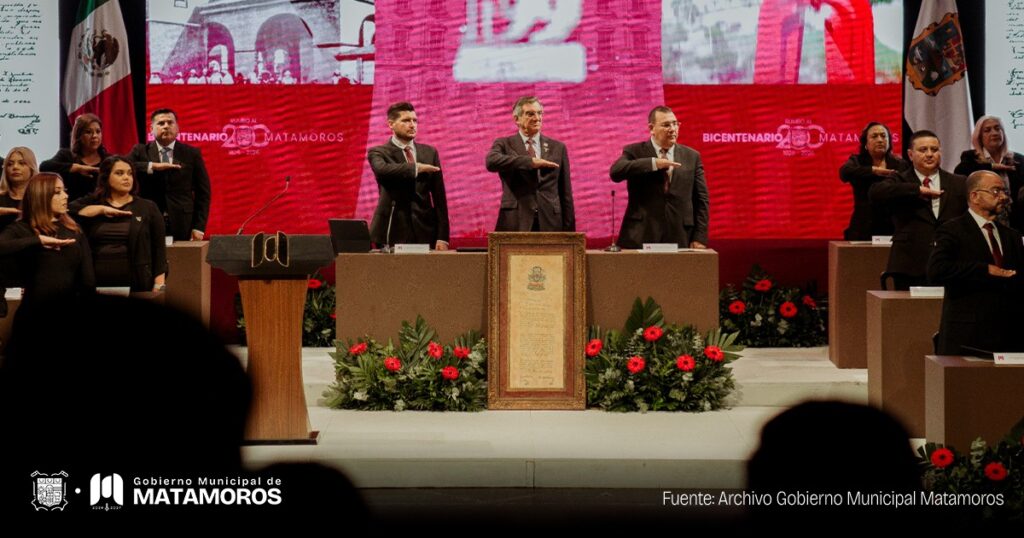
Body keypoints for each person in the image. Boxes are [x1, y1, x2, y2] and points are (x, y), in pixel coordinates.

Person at [927, 170, 1024, 355]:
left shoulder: (1012, 236)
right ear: (975, 196)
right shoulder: (952, 230)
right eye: (996, 191)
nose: (1003, 197)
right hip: (967, 335)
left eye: (1004, 192)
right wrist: (984, 270)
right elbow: (937, 271)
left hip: (1010, 336)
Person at [869, 130, 967, 290]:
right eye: (923, 150)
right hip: (909, 263)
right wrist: (917, 190)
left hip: (951, 263)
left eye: (934, 150)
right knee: (909, 314)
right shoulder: (899, 180)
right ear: (910, 154)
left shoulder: (959, 182)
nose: (929, 154)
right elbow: (875, 193)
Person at [608, 106, 709, 249]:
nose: (673, 129)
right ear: (651, 128)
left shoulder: (692, 156)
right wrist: (654, 163)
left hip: (680, 234)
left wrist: (700, 237)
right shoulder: (635, 151)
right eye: (666, 125)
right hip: (641, 234)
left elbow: (701, 199)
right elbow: (616, 172)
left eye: (675, 124)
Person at [69, 156, 167, 292]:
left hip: (136, 282)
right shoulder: (94, 203)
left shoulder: (148, 207)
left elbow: (159, 250)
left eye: (129, 173)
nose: (126, 178)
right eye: (119, 173)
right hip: (96, 282)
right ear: (106, 177)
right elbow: (67, 210)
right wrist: (99, 209)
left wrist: (159, 284)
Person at [0, 172, 94, 306]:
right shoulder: (21, 229)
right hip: (34, 313)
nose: (65, 196)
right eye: (58, 192)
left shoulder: (74, 229)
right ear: (41, 196)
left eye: (64, 191)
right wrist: (38, 240)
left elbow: (88, 279)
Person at [367, 102, 450, 250]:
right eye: (406, 121)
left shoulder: (429, 152)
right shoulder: (379, 152)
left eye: (415, 120)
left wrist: (443, 236)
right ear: (391, 124)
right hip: (391, 229)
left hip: (425, 229)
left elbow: (439, 198)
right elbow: (382, 170)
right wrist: (416, 168)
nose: (412, 125)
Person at [485, 96, 575, 232]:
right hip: (515, 221)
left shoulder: (558, 147)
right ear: (517, 119)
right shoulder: (504, 144)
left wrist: (570, 233)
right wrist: (530, 162)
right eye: (530, 114)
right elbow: (491, 162)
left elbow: (565, 193)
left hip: (550, 222)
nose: (537, 118)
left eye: (539, 113)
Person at [128, 108, 211, 241]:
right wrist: (152, 166)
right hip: (148, 218)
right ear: (151, 128)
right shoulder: (140, 151)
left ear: (177, 128)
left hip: (183, 222)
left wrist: (199, 227)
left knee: (182, 260)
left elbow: (203, 193)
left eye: (170, 123)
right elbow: (123, 166)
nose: (166, 126)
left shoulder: (191, 153)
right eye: (161, 123)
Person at [839, 122, 910, 240]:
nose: (880, 140)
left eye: (883, 136)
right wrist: (873, 171)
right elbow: (844, 173)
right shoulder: (857, 161)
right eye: (874, 136)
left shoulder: (900, 164)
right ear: (865, 143)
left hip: (892, 224)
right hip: (863, 224)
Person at [953, 115, 1024, 231]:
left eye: (997, 128)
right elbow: (960, 172)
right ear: (979, 137)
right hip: (983, 221)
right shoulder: (970, 158)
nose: (994, 133)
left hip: (1014, 222)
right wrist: (992, 166)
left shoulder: (1018, 160)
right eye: (987, 130)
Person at [39, 113, 110, 202]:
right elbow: (44, 166)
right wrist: (76, 168)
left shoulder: (108, 159)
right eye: (88, 132)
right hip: (72, 209)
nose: (94, 136)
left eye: (98, 131)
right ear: (79, 135)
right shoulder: (66, 155)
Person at [0, 146, 36, 229]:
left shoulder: (41, 198)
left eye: (22, 163)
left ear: (32, 168)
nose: (15, 167)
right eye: (10, 164)